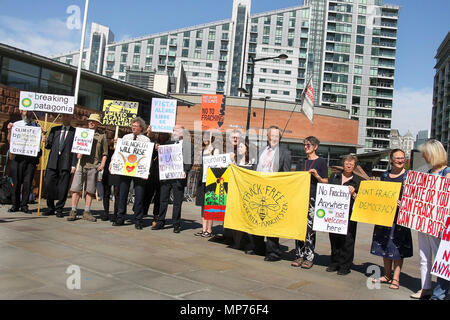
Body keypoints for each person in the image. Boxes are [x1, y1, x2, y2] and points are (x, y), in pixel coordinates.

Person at [410, 139, 450, 300]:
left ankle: (440, 292)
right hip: (425, 221)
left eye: (425, 152)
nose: (423, 155)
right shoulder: (428, 173)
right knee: (424, 256)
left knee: (442, 259)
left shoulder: (447, 173)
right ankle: (425, 287)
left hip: (440, 224)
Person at [370, 149, 413, 290]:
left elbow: (416, 199)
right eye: (397, 158)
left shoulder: (409, 177)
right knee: (384, 245)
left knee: (397, 248)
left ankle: (396, 278)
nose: (401, 160)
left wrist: (404, 203)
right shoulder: (385, 175)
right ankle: (387, 275)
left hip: (400, 219)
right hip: (385, 217)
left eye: (403, 158)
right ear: (391, 160)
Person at [248, 125, 292, 262]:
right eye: (271, 136)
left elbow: (286, 173)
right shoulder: (260, 151)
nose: (274, 138)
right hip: (259, 191)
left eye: (276, 136)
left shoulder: (285, 153)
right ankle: (258, 247)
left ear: (279, 138)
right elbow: (254, 168)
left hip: (274, 192)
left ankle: (274, 252)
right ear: (267, 137)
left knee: (272, 222)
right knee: (257, 219)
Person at [292, 136, 328, 269]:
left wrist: (316, 175)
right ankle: (299, 254)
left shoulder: (321, 162)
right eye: (304, 145)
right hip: (300, 198)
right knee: (299, 226)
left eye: (308, 145)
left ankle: (309, 256)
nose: (306, 147)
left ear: (315, 147)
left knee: (310, 228)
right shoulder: (301, 162)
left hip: (313, 197)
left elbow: (326, 181)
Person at [112, 117, 152, 230]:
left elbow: (147, 157)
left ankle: (138, 219)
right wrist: (113, 163)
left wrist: (146, 170)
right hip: (125, 170)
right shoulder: (126, 137)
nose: (133, 127)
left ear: (141, 128)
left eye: (136, 126)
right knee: (123, 194)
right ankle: (120, 217)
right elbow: (118, 153)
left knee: (139, 196)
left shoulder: (146, 140)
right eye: (132, 126)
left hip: (139, 171)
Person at [152, 125, 193, 233]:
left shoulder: (188, 146)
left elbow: (189, 161)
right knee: (163, 199)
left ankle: (176, 224)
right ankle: (160, 221)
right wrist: (157, 147)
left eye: (176, 130)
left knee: (177, 202)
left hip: (179, 177)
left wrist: (185, 171)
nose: (173, 132)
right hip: (167, 177)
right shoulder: (167, 144)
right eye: (173, 131)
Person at [327, 155, 363, 275]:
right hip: (334, 214)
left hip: (349, 214)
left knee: (347, 240)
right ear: (343, 164)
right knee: (334, 238)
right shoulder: (334, 176)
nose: (348, 165)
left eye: (351, 164)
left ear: (355, 166)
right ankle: (334, 262)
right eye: (347, 163)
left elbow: (361, 199)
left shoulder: (358, 180)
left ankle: (345, 265)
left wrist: (354, 194)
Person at [68, 113, 107, 222]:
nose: (91, 122)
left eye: (93, 121)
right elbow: (75, 147)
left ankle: (86, 211)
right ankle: (73, 210)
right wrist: (78, 154)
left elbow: (105, 153)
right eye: (90, 121)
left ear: (97, 124)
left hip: (93, 166)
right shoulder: (82, 132)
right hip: (81, 164)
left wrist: (102, 164)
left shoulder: (102, 136)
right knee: (76, 188)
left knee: (90, 190)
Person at [7, 110, 42, 213]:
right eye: (25, 113)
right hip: (17, 158)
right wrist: (9, 130)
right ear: (21, 113)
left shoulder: (37, 126)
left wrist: (42, 138)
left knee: (27, 183)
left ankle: (24, 205)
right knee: (16, 182)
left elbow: (38, 143)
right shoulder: (16, 125)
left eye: (29, 113)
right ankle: (15, 204)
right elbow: (10, 140)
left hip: (30, 159)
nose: (27, 115)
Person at [42, 114, 77, 218]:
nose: (66, 118)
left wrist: (74, 164)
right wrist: (45, 140)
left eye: (68, 117)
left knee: (63, 187)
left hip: (66, 162)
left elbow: (76, 149)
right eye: (64, 117)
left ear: (71, 118)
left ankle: (59, 208)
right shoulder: (54, 130)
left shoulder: (74, 132)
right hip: (53, 162)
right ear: (61, 118)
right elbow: (48, 145)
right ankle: (50, 207)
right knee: (48, 184)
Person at [195, 132, 220, 238]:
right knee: (202, 204)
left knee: (210, 205)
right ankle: (204, 228)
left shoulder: (215, 150)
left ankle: (209, 229)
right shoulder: (203, 150)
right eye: (204, 137)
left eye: (207, 137)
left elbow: (217, 165)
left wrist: (211, 154)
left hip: (211, 180)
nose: (205, 139)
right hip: (202, 179)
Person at [142, 127, 162, 228]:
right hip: (151, 171)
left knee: (158, 196)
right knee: (147, 193)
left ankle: (156, 217)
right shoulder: (148, 141)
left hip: (162, 172)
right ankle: (142, 213)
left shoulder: (166, 141)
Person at [101, 137, 120, 222]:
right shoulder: (106, 147)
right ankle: (106, 213)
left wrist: (120, 143)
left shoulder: (120, 145)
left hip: (118, 170)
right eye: (109, 138)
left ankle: (116, 214)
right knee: (106, 192)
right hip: (107, 170)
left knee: (117, 194)